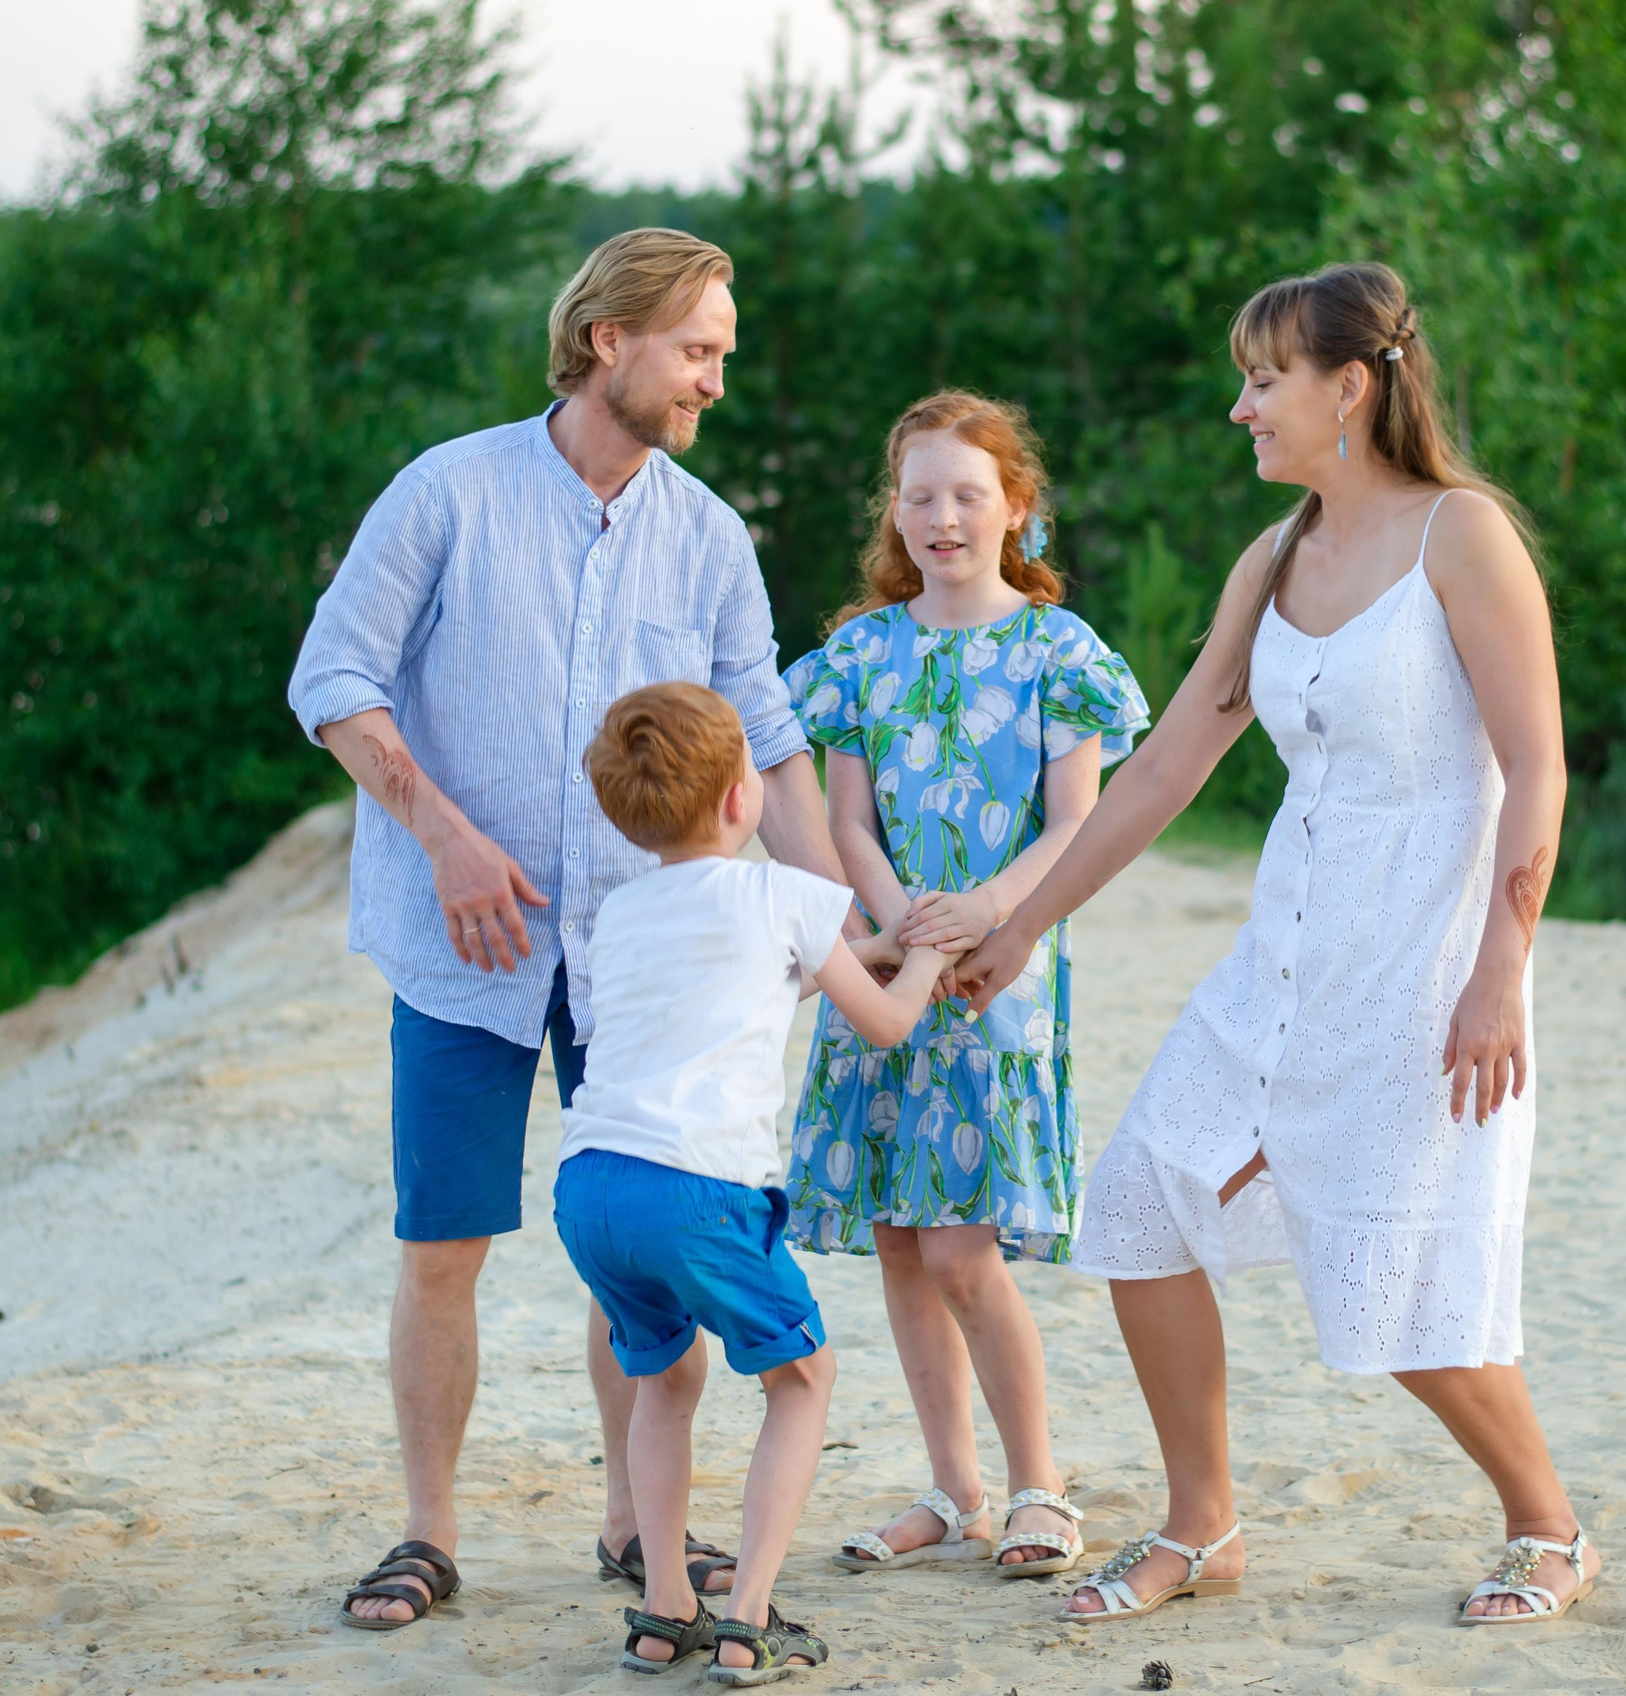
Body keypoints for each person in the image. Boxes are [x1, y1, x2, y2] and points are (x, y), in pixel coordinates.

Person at [954, 262, 1599, 1626]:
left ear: (1351, 388)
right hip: (1281, 962)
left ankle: (1546, 1527)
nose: (1240, 405)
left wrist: (1503, 974)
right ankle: (1205, 1524)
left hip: (1424, 965)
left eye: (1264, 378)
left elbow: (1537, 770)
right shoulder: (1277, 558)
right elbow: (1160, 771)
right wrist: (1021, 923)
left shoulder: (1463, 540)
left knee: (1398, 1276)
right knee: (1136, 1205)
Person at [287, 228, 852, 1629]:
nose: (716, 379)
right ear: (610, 340)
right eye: (699, 349)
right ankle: (427, 1533)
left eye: (723, 352)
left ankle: (631, 1529)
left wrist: (861, 921)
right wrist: (447, 836)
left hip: (644, 955)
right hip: (459, 945)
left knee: (639, 1245)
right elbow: (333, 678)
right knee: (443, 1244)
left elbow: (772, 749)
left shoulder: (710, 535)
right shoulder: (448, 492)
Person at [781, 392, 1147, 1580]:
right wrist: (898, 926)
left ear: (1016, 508)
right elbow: (843, 819)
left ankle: (1041, 1487)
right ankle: (955, 1490)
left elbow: (1075, 825)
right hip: (886, 967)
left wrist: (986, 914)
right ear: (894, 507)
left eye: (968, 495)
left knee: (959, 1250)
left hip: (999, 969)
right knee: (898, 1240)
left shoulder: (1058, 651)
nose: (943, 517)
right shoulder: (857, 655)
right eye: (920, 493)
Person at [559, 681, 954, 1683]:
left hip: (592, 1184)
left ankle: (662, 1614)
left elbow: (774, 969)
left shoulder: (623, 911)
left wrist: (871, 954)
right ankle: (745, 1618)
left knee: (666, 1380)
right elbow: (886, 1018)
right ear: (745, 799)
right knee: (801, 1377)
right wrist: (926, 959)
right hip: (698, 1188)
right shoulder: (783, 894)